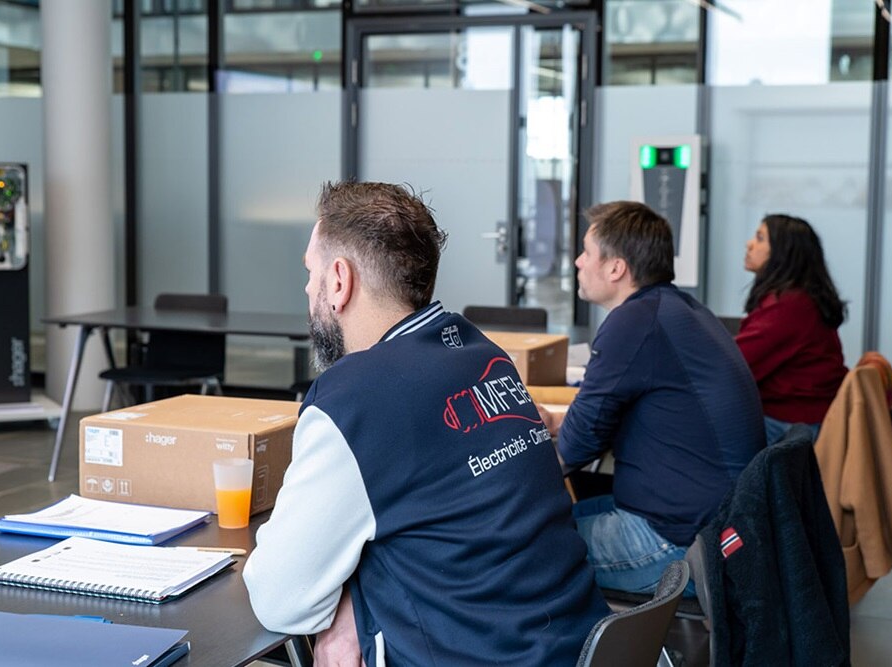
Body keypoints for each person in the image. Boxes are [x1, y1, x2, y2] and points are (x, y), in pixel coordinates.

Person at [243, 182, 608, 666]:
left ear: (338, 280)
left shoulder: (356, 399)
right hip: (579, 645)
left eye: (310, 272)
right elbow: (452, 521)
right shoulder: (485, 357)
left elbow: (280, 596)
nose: (307, 289)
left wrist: (351, 599)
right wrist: (359, 598)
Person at [540, 201, 765, 596]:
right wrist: (558, 423)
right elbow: (616, 412)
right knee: (549, 521)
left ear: (616, 268)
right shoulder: (681, 309)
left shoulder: (634, 322)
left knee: (518, 548)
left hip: (679, 542)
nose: (577, 261)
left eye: (587, 252)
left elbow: (576, 447)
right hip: (717, 526)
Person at [736, 214, 847, 445]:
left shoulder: (789, 306)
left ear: (782, 253)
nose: (749, 244)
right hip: (803, 418)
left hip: (795, 426)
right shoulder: (798, 299)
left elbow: (736, 365)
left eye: (760, 238)